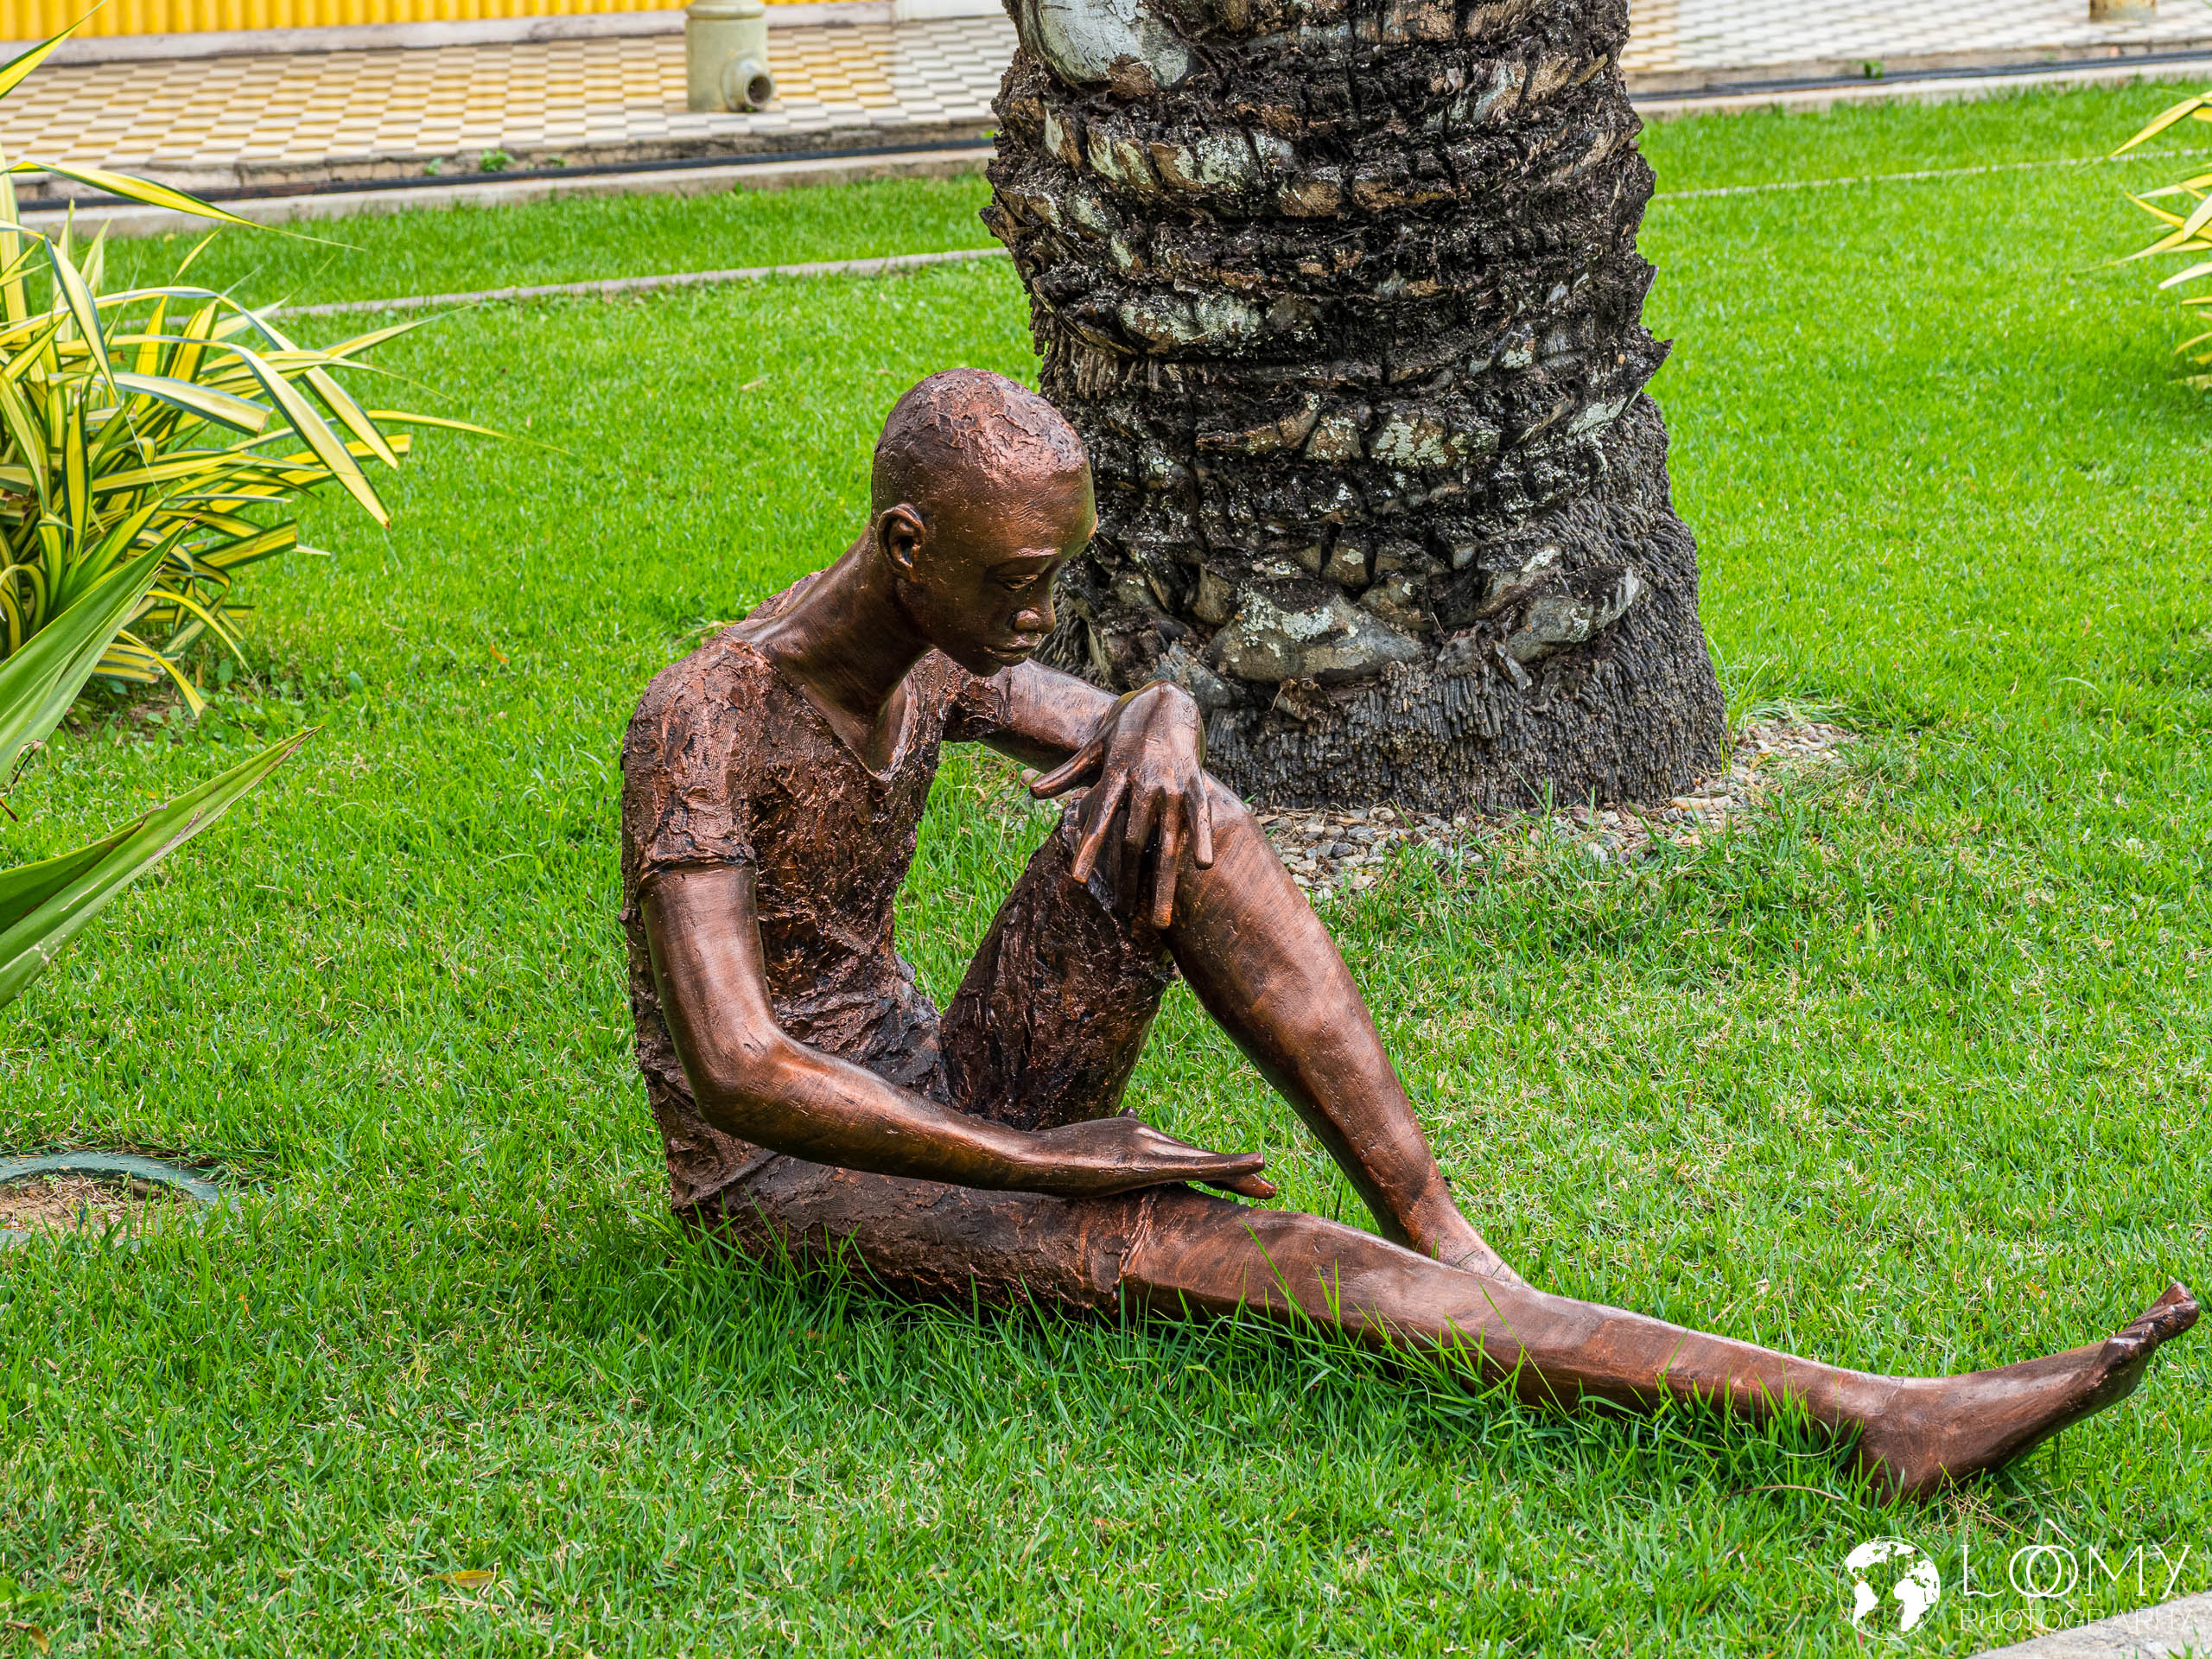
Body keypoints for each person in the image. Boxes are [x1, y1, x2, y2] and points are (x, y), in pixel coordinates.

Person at [620, 367, 2194, 1499]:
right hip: (798, 1176)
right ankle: (1871, 1418)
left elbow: (1106, 723)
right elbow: (741, 1066)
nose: (1041, 618)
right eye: (1019, 586)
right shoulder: (706, 718)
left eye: (1059, 581)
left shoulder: (942, 651)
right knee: (1226, 1247)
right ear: (906, 548)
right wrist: (1056, 1165)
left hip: (939, 1083)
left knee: (1190, 814)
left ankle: (1452, 1241)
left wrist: (1160, 712)